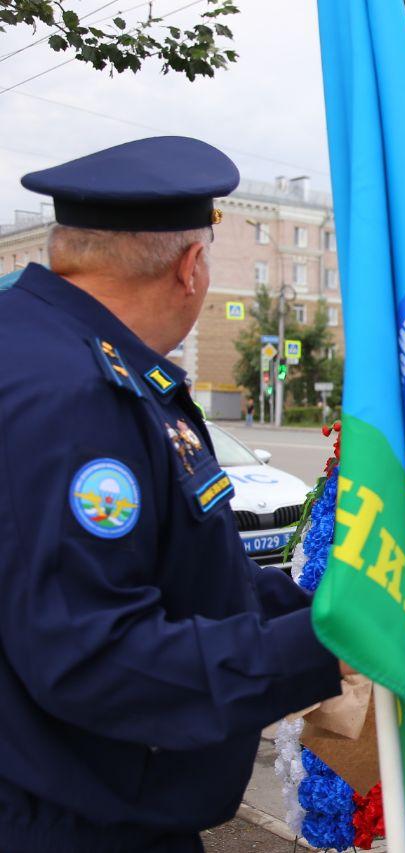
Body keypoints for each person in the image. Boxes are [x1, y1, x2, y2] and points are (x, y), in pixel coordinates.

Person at [0, 137, 343, 852]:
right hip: (72, 821)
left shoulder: (37, 348)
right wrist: (325, 644)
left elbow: (186, 576)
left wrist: (339, 607)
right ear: (191, 267)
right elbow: (94, 655)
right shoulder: (78, 396)